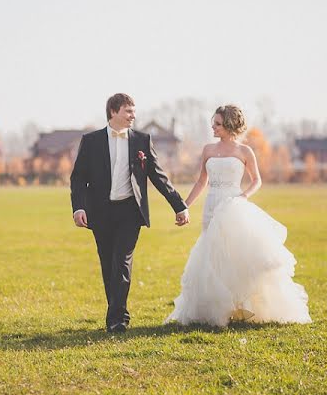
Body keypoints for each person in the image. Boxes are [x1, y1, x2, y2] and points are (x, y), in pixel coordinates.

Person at [165, 104, 312, 327]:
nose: (212, 127)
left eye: (217, 124)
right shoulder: (207, 150)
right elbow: (201, 181)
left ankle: (242, 307)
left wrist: (243, 196)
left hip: (234, 205)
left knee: (236, 255)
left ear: (230, 125)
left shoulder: (245, 152)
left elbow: (257, 180)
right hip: (212, 205)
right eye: (212, 123)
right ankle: (217, 308)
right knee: (211, 253)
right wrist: (184, 205)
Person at [71, 93, 190, 332]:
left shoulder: (142, 141)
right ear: (113, 111)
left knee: (122, 263)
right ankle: (116, 312)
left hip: (130, 212)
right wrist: (79, 208)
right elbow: (78, 178)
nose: (133, 116)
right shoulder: (91, 141)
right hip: (100, 212)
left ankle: (118, 319)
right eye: (128, 111)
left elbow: (158, 176)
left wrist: (179, 205)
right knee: (108, 264)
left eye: (134, 111)